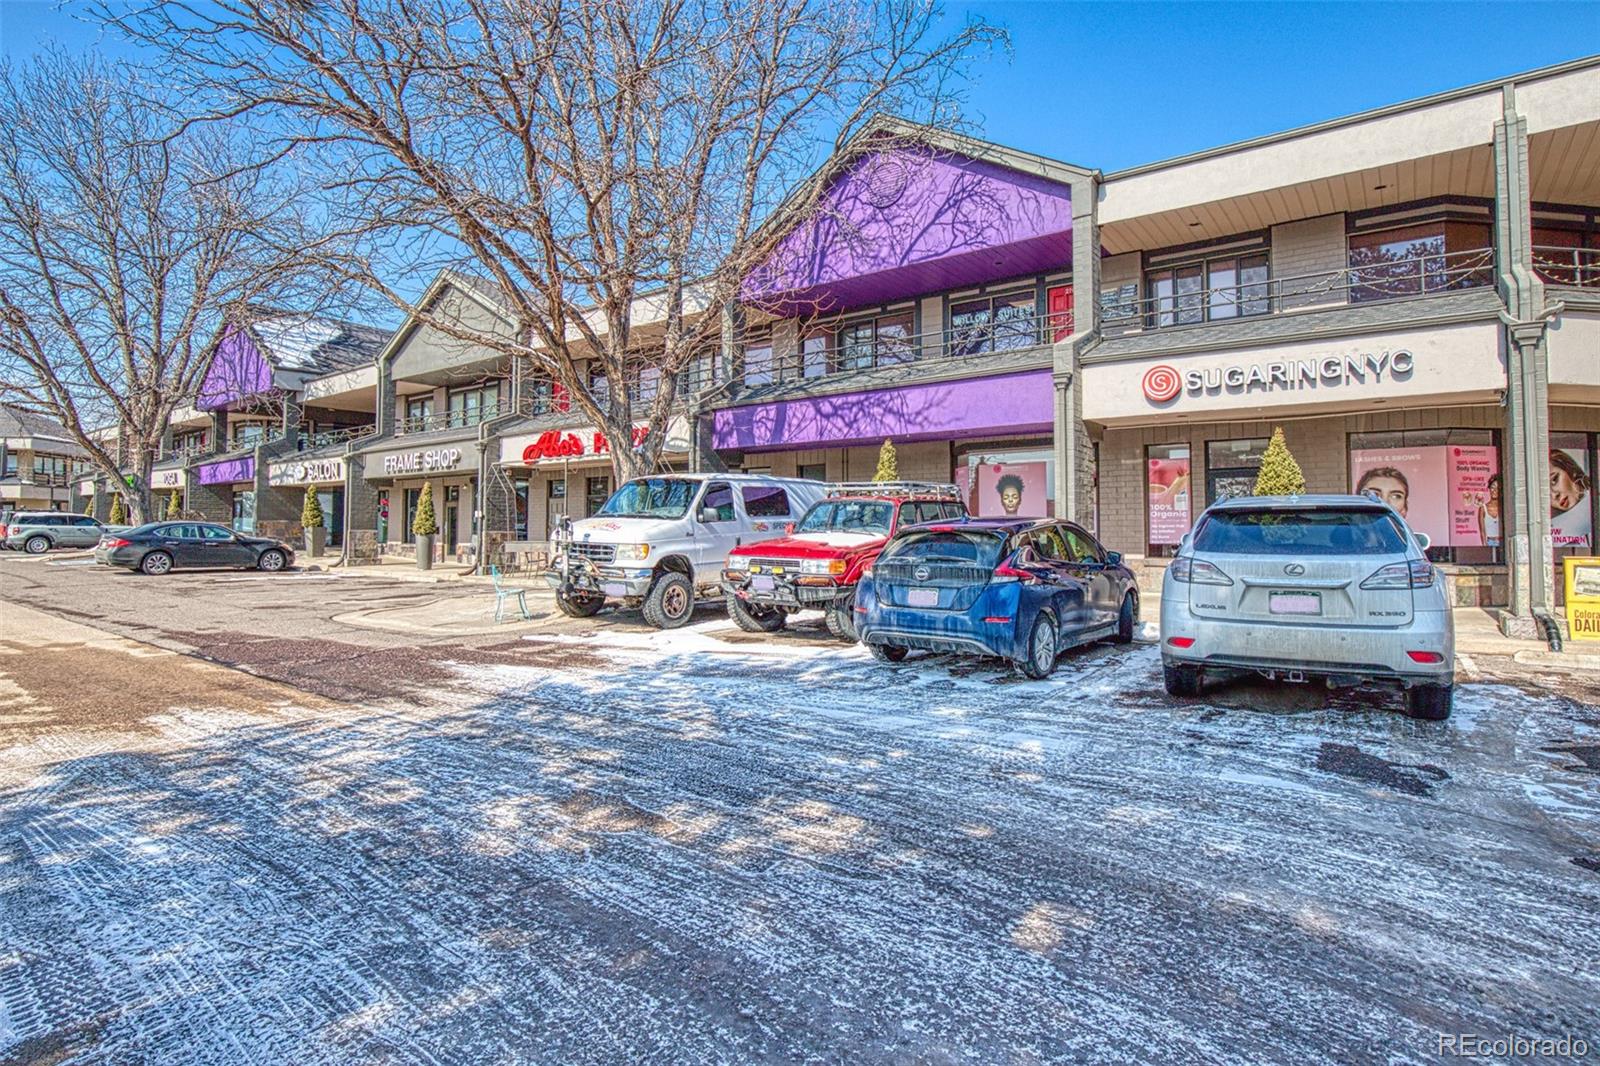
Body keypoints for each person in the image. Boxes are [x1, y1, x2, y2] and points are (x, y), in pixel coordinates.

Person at [1477, 474, 1502, 547]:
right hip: (1490, 542)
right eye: (1492, 488)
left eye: (1497, 488)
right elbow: (1482, 531)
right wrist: (1485, 546)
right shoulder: (1483, 508)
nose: (1494, 491)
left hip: (1502, 541)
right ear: (1489, 489)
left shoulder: (1503, 508)